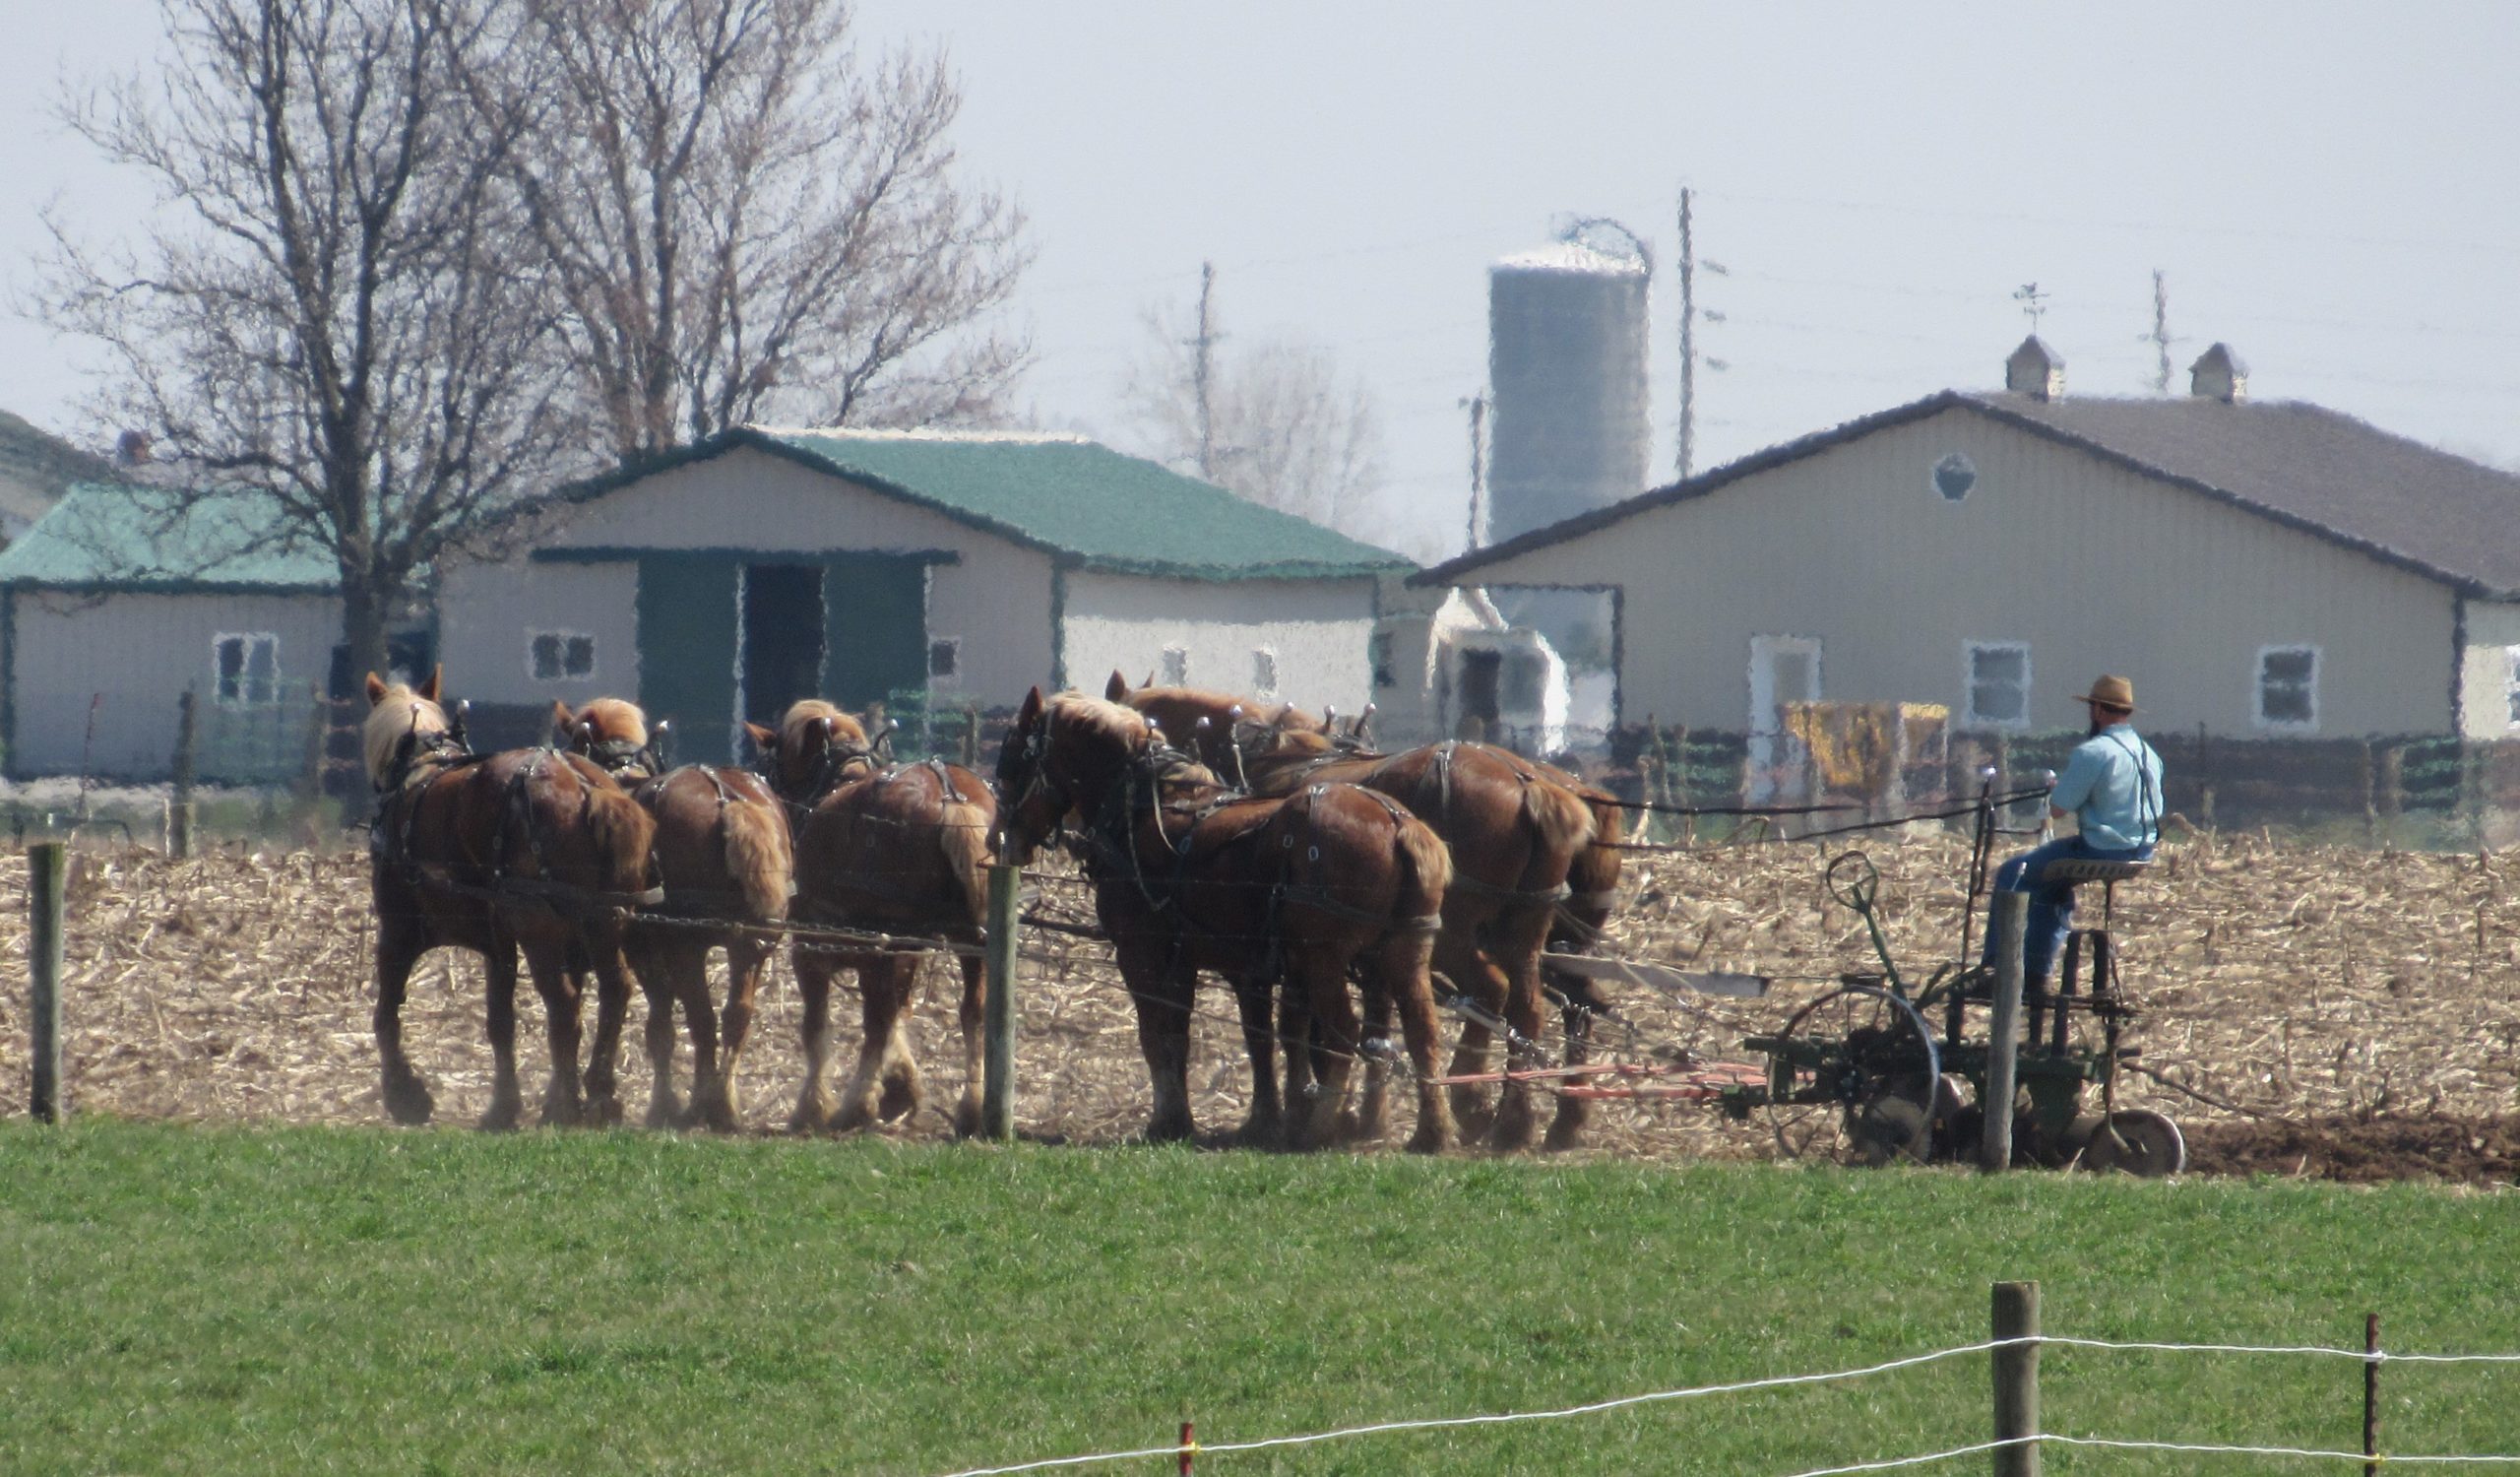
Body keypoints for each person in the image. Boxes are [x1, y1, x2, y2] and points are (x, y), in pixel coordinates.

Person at [1981, 674, 2163, 987]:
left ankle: (1998, 970)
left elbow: (2058, 807)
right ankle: (2036, 972)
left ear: (2098, 711)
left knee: (2013, 872)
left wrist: (2057, 792)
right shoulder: (2149, 754)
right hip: (2141, 850)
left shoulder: (2094, 752)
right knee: (2051, 886)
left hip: (2101, 848)